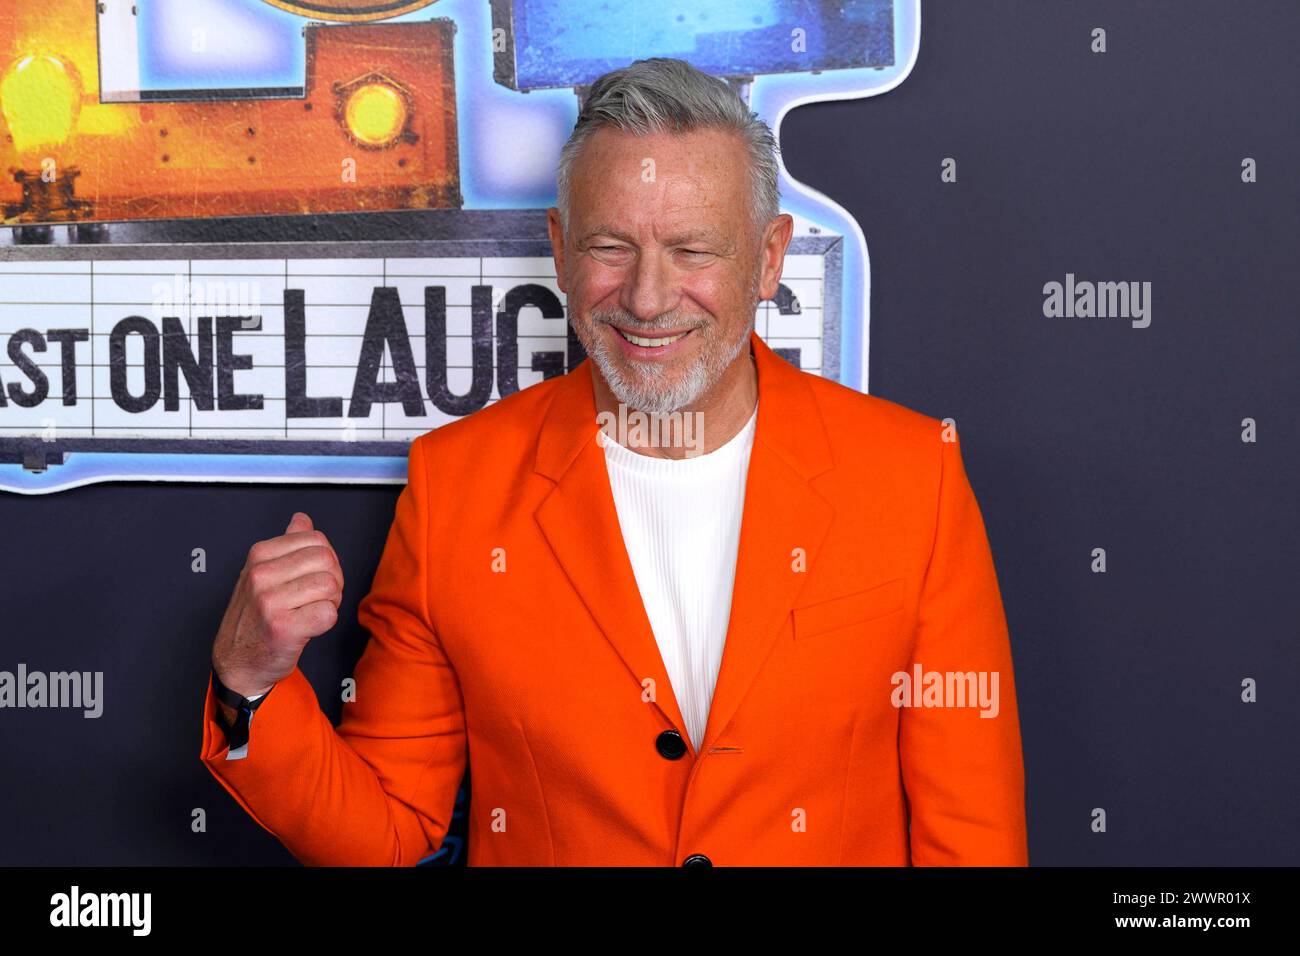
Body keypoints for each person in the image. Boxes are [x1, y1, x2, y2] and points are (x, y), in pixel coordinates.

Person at [202, 57, 1028, 866]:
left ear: (770, 258)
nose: (646, 297)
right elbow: (383, 832)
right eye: (611, 247)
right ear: (561, 250)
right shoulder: (456, 488)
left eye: (693, 250)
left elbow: (974, 841)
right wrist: (251, 686)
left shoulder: (911, 476)